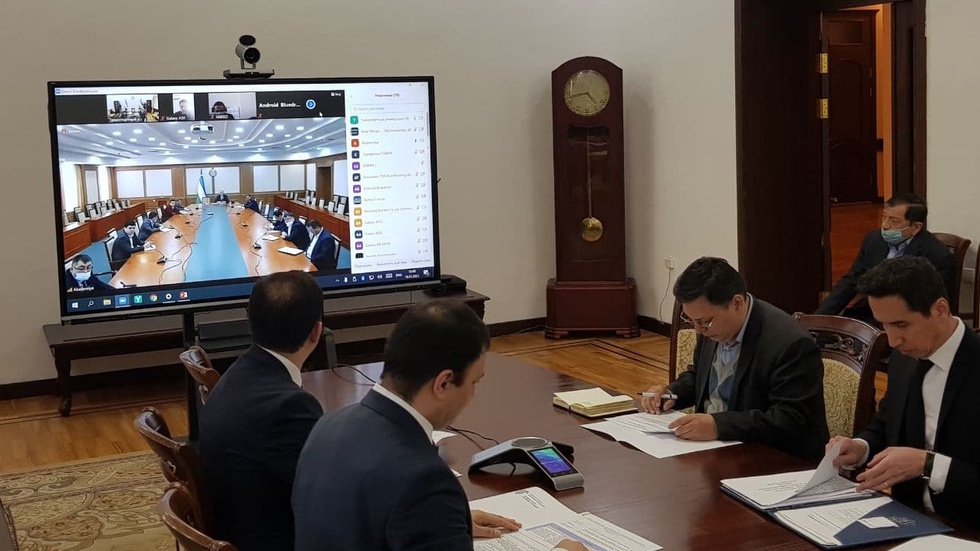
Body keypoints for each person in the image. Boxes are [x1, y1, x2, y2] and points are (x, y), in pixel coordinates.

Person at [292, 299, 588, 551]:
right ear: (444, 382)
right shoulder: (423, 479)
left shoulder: (328, 425)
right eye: (474, 383)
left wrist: (444, 525)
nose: (472, 395)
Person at [828, 256, 980, 527]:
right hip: (903, 519)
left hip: (966, 528)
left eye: (901, 325)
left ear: (940, 309)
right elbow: (888, 423)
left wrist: (927, 465)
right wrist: (860, 447)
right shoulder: (905, 357)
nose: (893, 340)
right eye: (883, 325)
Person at [641, 257, 829, 460]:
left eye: (704, 322)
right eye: (692, 321)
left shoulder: (790, 344)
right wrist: (670, 394)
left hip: (771, 459)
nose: (698, 330)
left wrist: (718, 426)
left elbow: (791, 420)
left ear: (736, 303)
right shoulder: (713, 328)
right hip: (712, 450)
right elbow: (699, 376)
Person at [198, 271, 325, 551]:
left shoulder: (239, 371)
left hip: (237, 523)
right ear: (316, 332)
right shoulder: (289, 407)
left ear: (250, 321)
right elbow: (329, 491)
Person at [816, 193, 954, 325]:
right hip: (870, 313)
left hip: (907, 320)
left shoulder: (937, 255)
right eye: (884, 217)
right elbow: (852, 280)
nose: (885, 225)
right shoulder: (874, 240)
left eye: (894, 221)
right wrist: (818, 318)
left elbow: (928, 304)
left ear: (915, 227)